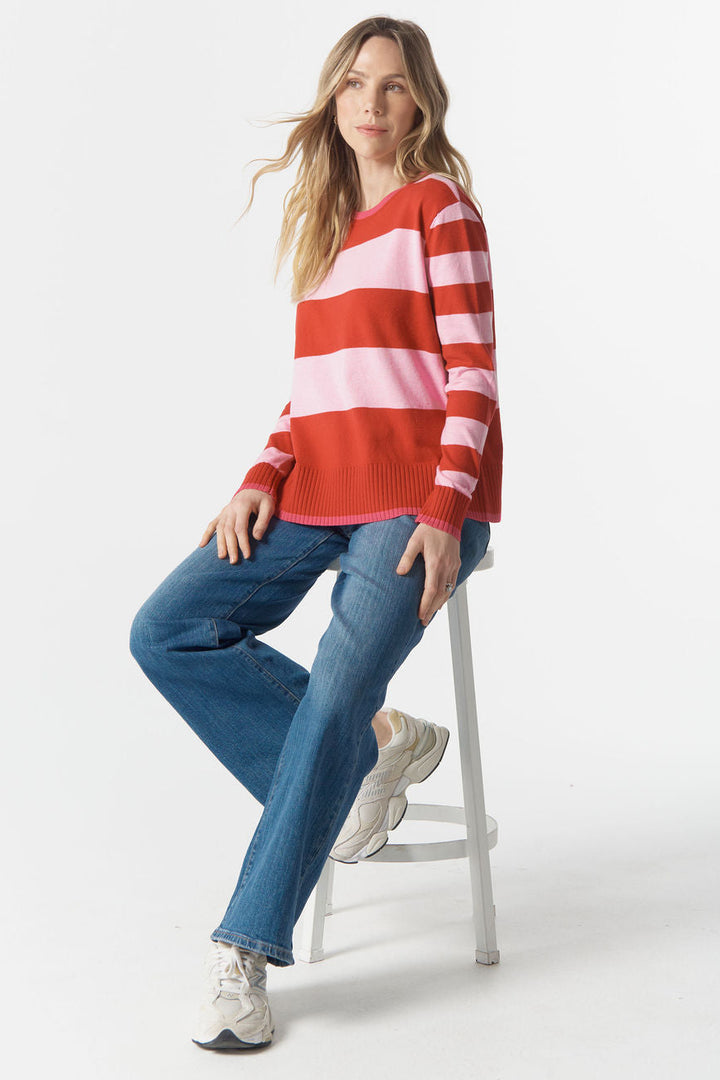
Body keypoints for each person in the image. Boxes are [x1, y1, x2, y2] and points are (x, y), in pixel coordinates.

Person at [129, 14, 502, 1052]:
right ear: (332, 103)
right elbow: (311, 399)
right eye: (353, 86)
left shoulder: (441, 209)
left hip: (417, 500)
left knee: (336, 684)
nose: (371, 105)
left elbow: (471, 376)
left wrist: (441, 510)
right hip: (318, 491)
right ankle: (375, 749)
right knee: (165, 630)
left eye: (390, 87)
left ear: (419, 102)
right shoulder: (332, 238)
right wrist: (259, 478)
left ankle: (244, 953)